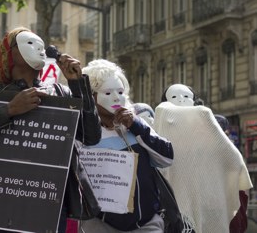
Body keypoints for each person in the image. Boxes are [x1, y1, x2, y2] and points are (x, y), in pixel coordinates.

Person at [0, 26, 102, 232]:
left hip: (48, 205)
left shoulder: (60, 92)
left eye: (41, 44)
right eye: (29, 43)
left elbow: (91, 136)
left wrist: (77, 84)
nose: (39, 48)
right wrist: (9, 110)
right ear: (9, 55)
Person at [80, 59, 174, 232]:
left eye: (121, 91)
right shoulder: (81, 133)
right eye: (107, 93)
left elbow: (167, 158)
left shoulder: (138, 122)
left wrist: (136, 125)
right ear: (90, 96)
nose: (117, 97)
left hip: (146, 224)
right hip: (100, 225)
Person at [155, 83, 253, 233]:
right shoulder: (161, 127)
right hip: (172, 212)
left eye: (186, 96)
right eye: (175, 97)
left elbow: (234, 163)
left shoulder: (206, 125)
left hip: (207, 208)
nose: (181, 100)